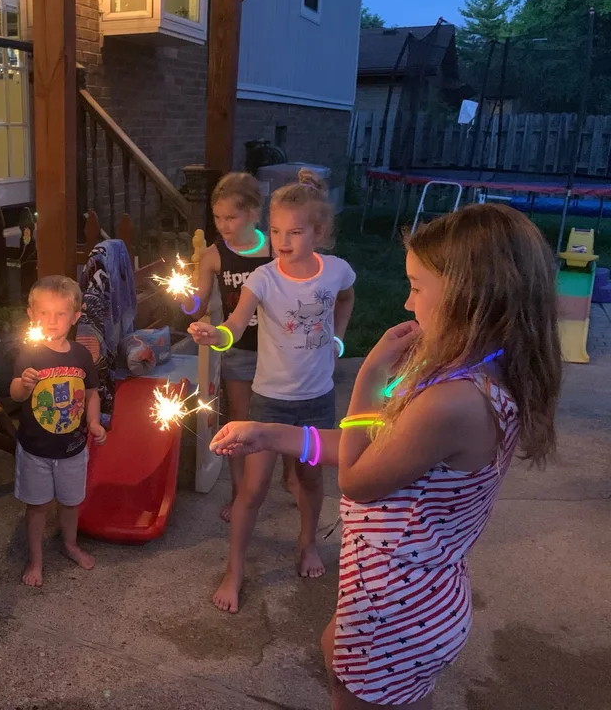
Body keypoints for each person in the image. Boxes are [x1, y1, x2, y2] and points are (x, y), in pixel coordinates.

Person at [208, 203, 561, 708]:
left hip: (397, 607)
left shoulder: (454, 403)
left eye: (417, 287)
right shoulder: (474, 373)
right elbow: (377, 449)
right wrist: (270, 434)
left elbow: (356, 477)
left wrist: (368, 378)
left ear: (469, 295)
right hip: (403, 594)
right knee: (335, 653)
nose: (407, 303)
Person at [190, 168, 355, 611]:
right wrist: (215, 335)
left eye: (295, 232)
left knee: (310, 477)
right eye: (277, 230)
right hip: (268, 401)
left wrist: (338, 337)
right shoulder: (263, 278)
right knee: (253, 489)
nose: (282, 241)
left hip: (318, 399)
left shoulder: (335, 271)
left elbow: (347, 297)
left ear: (318, 232)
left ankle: (306, 543)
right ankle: (235, 568)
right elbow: (235, 325)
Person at [10, 275, 106, 587]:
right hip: (35, 449)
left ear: (76, 317)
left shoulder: (80, 355)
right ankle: (36, 559)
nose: (51, 321)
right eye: (44, 313)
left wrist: (93, 422)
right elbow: (14, 395)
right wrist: (23, 385)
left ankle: (70, 544)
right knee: (37, 506)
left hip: (73, 449)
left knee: (70, 502)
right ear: (31, 314)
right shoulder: (29, 354)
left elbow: (91, 393)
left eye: (60, 313)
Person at [187, 172, 272, 522]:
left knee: (276, 420)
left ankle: (286, 475)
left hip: (278, 351)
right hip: (236, 350)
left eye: (231, 217)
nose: (223, 225)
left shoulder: (274, 249)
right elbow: (197, 303)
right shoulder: (213, 255)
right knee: (239, 423)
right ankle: (240, 495)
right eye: (218, 218)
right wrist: (186, 301)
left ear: (253, 213)